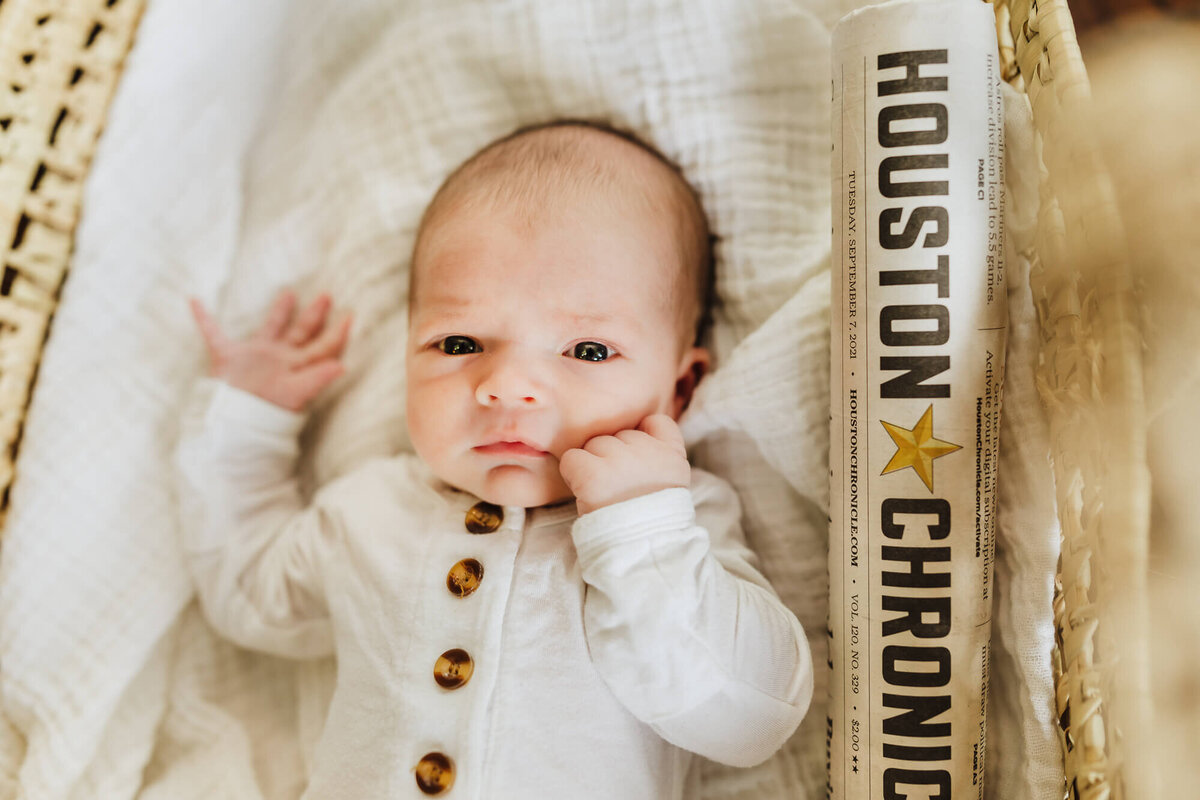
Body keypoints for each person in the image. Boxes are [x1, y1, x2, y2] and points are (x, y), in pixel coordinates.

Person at [178, 119, 813, 799]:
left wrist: (643, 534)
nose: (506, 384)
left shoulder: (674, 528)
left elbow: (750, 721)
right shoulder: (369, 512)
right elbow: (252, 594)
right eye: (457, 343)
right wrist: (245, 422)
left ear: (679, 389)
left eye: (588, 351)